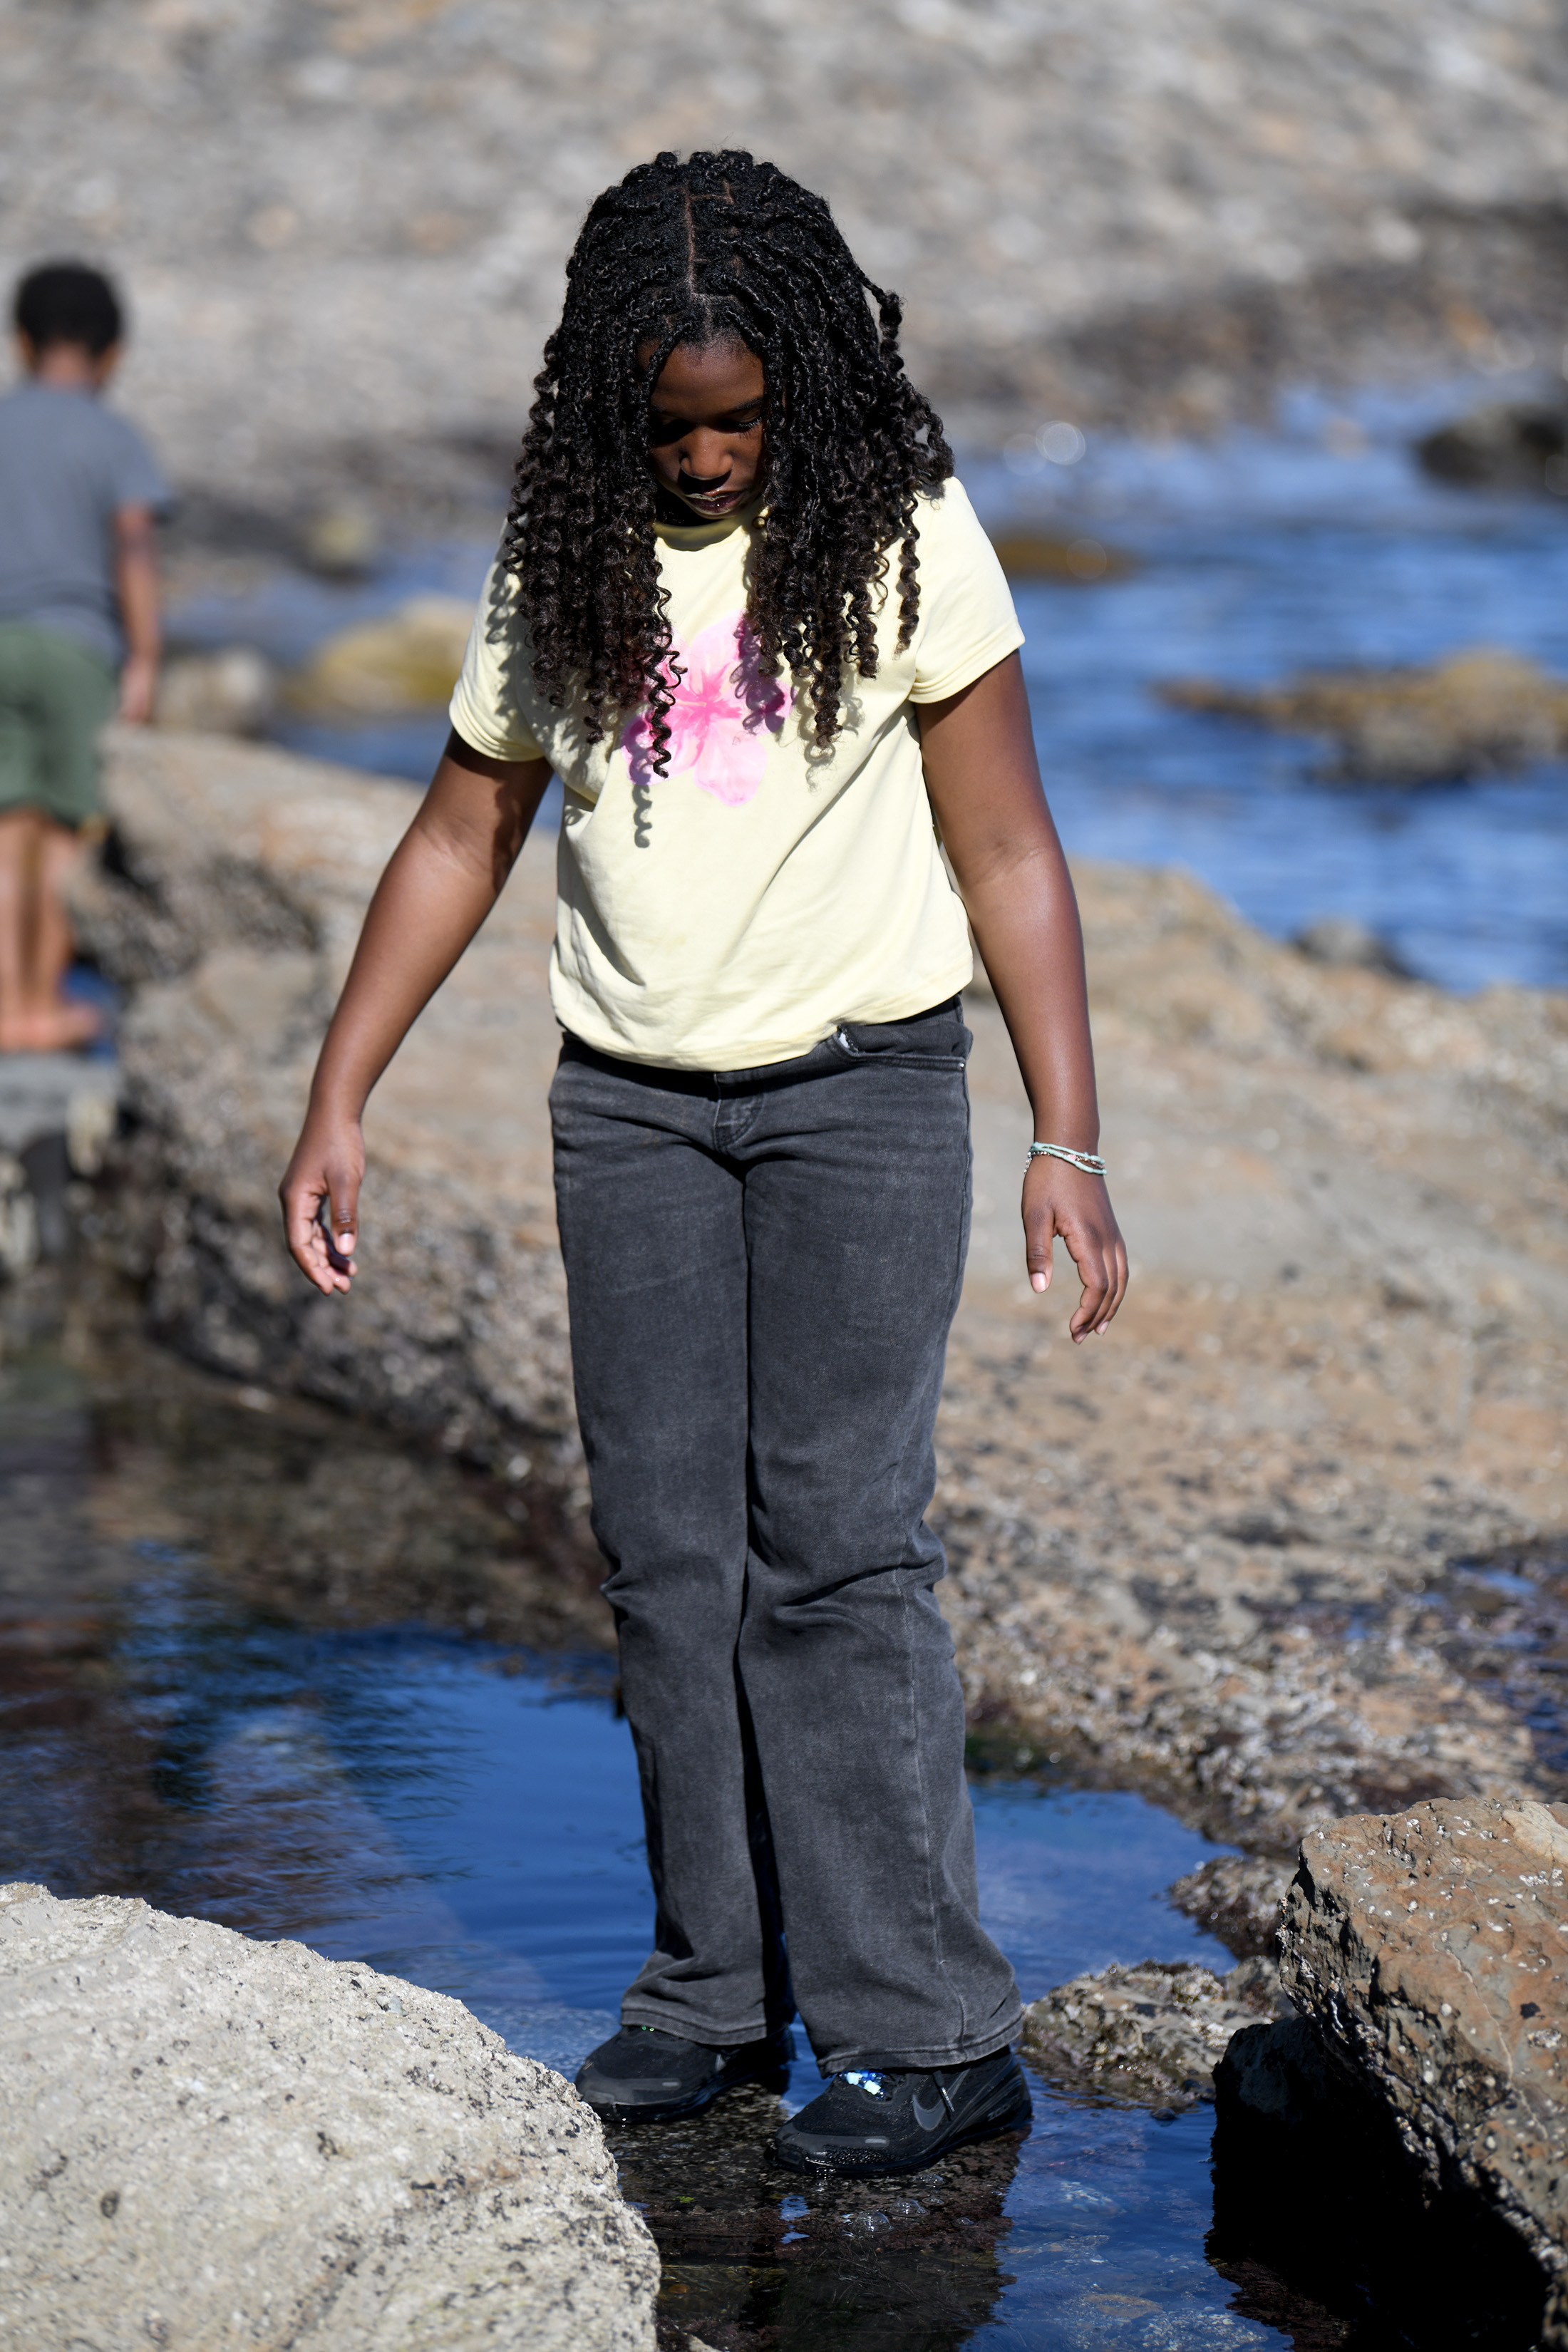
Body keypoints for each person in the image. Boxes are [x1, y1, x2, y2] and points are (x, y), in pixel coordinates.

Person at [279, 150, 1128, 2179]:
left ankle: (929, 2032)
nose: (711, 456)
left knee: (839, 1551)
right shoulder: (565, 550)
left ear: (805, 389)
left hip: (864, 1097)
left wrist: (1066, 1133)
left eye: (742, 419)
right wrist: (339, 1094)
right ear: (608, 408)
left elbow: (1009, 848)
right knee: (669, 1563)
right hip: (632, 1112)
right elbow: (457, 837)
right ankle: (712, 1999)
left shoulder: (907, 534)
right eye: (672, 426)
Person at [0, 259, 166, 1053]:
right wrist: (143, 661)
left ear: (21, 342)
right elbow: (133, 548)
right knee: (66, 830)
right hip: (77, 648)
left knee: (5, 829)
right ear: (114, 354)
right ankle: (43, 1003)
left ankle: (5, 1007)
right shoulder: (115, 436)